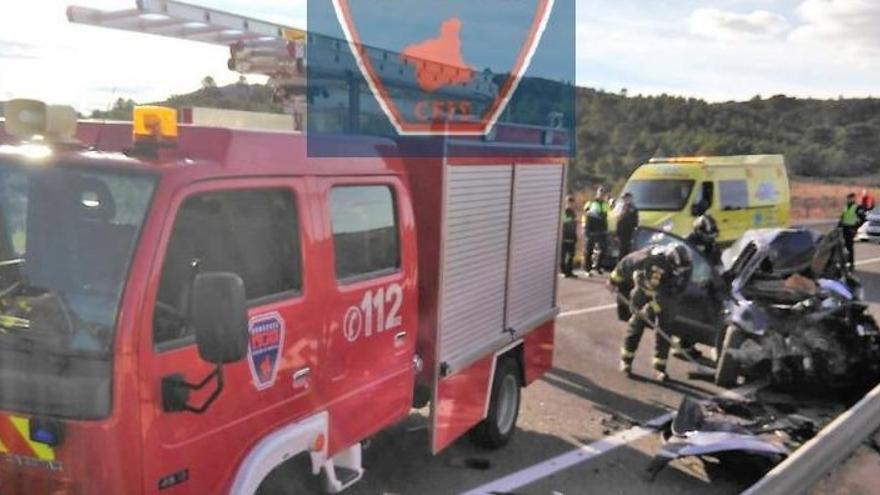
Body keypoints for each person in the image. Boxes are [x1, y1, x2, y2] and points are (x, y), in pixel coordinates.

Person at [608, 243, 693, 381]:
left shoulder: (686, 266)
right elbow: (626, 262)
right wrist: (613, 280)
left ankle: (659, 369)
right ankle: (626, 361)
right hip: (643, 289)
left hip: (665, 296)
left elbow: (679, 289)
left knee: (664, 330)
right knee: (636, 324)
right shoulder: (649, 257)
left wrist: (655, 304)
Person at [582, 186, 610, 276]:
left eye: (603, 193)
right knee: (589, 250)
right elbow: (586, 214)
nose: (602, 194)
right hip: (591, 230)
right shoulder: (591, 202)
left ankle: (598, 266)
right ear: (597, 193)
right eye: (600, 192)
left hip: (602, 230)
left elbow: (606, 216)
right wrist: (586, 228)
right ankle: (587, 269)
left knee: (604, 249)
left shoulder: (605, 204)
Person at [839, 193, 867, 269]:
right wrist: (839, 226)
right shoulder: (845, 206)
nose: (848, 200)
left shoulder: (858, 207)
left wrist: (856, 227)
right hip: (844, 229)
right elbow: (842, 217)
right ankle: (844, 262)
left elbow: (863, 219)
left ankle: (851, 264)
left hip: (851, 229)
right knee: (842, 246)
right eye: (848, 198)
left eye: (850, 198)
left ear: (854, 198)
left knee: (849, 247)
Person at [616, 192, 639, 259]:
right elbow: (619, 221)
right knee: (621, 251)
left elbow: (635, 222)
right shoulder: (622, 208)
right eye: (624, 199)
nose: (625, 200)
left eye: (626, 198)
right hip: (621, 233)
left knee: (627, 251)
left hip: (629, 232)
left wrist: (634, 231)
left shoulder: (633, 209)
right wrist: (617, 233)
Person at [560, 196, 578, 278]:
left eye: (572, 203)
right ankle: (563, 271)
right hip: (564, 237)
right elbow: (564, 222)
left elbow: (575, 224)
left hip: (572, 236)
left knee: (571, 255)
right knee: (563, 256)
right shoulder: (563, 212)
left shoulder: (573, 212)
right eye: (569, 203)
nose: (571, 204)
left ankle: (569, 271)